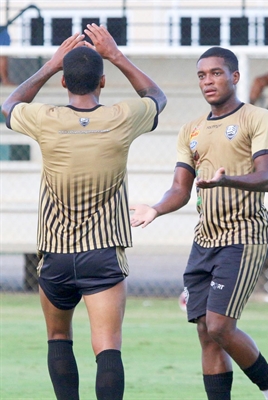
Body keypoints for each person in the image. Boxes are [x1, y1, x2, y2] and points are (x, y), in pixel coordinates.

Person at [1, 24, 166, 400]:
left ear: (63, 83)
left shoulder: (46, 118)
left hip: (55, 255)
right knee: (107, 345)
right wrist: (116, 55)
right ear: (103, 82)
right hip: (102, 253)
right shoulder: (123, 117)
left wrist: (49, 64)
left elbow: (7, 107)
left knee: (58, 337)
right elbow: (157, 95)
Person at [130, 47, 268, 400]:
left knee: (220, 325)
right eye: (202, 75)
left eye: (217, 73)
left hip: (245, 234)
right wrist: (155, 209)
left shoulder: (257, 118)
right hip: (204, 240)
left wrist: (226, 181)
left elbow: (266, 177)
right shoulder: (191, 130)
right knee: (206, 330)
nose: (208, 81)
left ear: (235, 77)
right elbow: (179, 188)